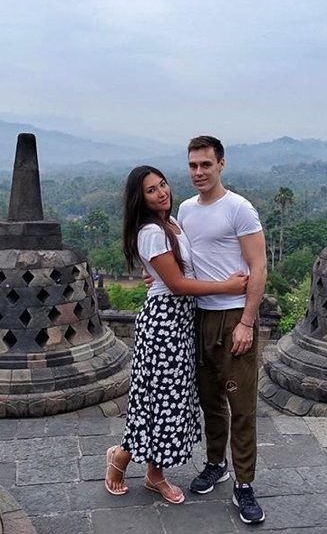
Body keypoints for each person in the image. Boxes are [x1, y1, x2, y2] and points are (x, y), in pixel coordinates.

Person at [105, 165, 247, 505]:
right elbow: (179, 284)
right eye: (151, 190)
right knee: (159, 401)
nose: (161, 192)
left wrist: (152, 272)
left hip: (182, 323)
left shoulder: (172, 223)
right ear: (141, 199)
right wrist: (227, 287)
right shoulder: (152, 231)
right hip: (163, 325)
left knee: (172, 401)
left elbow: (177, 269)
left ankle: (154, 474)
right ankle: (120, 459)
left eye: (163, 184)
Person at [180, 135, 267, 524]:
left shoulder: (239, 209)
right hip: (198, 315)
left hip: (233, 316)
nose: (199, 172)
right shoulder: (184, 210)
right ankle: (216, 463)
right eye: (193, 166)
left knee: (242, 405)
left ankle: (244, 484)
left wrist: (247, 322)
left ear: (221, 165)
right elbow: (183, 262)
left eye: (206, 165)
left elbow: (259, 267)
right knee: (209, 399)